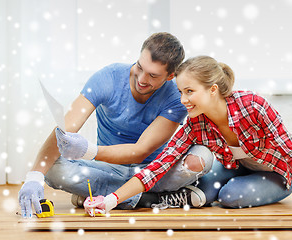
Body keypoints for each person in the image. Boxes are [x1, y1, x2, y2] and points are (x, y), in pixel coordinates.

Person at [83, 55, 292, 215]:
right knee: (203, 191)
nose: (183, 99)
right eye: (181, 92)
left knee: (229, 197)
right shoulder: (195, 123)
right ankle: (153, 199)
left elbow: (289, 149)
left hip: (277, 173)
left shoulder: (252, 105)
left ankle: (176, 196)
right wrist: (109, 201)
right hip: (235, 169)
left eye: (189, 91)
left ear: (212, 90)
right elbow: (159, 166)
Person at [18, 32, 192, 218]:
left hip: (152, 169)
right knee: (52, 169)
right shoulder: (108, 78)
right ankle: (149, 198)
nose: (141, 79)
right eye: (140, 67)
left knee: (199, 163)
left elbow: (141, 150)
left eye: (152, 75)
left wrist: (89, 150)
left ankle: (100, 193)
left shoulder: (176, 96)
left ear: (169, 76)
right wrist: (35, 176)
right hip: (109, 167)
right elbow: (65, 129)